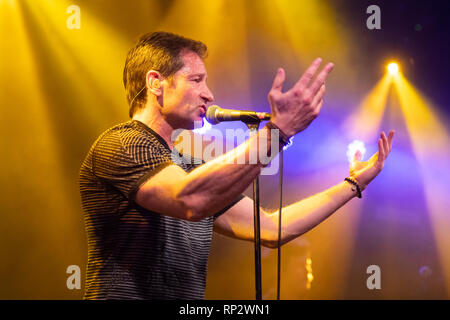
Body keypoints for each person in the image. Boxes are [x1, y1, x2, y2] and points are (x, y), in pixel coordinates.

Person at [79, 31, 394, 299]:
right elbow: (189, 200)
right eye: (196, 79)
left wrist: (352, 185)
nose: (209, 93)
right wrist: (276, 133)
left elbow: (272, 228)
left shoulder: (189, 166)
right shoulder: (121, 144)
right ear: (156, 82)